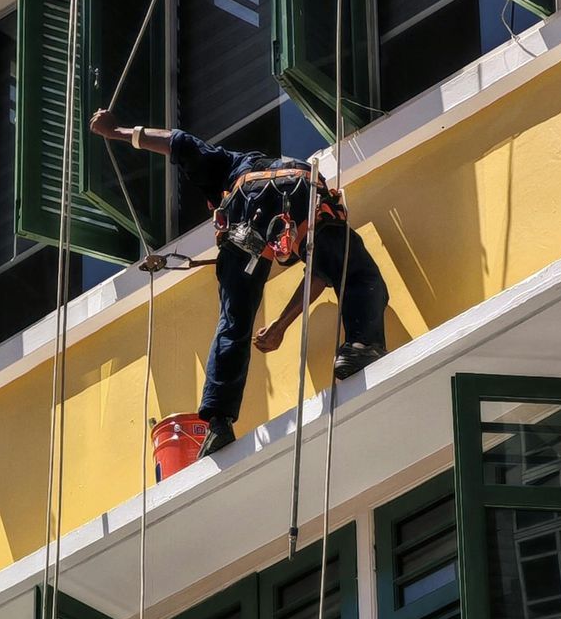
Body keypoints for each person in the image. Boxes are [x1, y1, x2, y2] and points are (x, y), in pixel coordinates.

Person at [90, 109, 388, 455]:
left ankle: (217, 423)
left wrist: (117, 131)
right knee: (357, 272)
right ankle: (359, 345)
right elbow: (324, 270)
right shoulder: (261, 171)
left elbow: (180, 142)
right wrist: (119, 129)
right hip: (301, 196)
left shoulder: (228, 167)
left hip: (242, 221)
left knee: (234, 322)